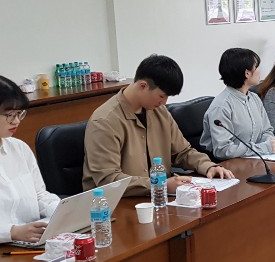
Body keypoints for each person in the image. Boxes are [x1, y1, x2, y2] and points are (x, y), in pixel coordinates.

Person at [83, 55, 233, 197]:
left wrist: (208, 166)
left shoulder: (159, 112)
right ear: (143, 86)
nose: (164, 102)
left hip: (158, 197)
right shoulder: (105, 121)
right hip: (115, 204)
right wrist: (160, 185)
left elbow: (183, 152)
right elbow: (108, 180)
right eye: (162, 96)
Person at [0, 75, 60, 244]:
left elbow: (39, 195)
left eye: (19, 113)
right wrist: (12, 232)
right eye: (9, 115)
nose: (16, 121)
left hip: (33, 242)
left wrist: (61, 211)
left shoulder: (19, 148)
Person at [201, 48, 275, 160]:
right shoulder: (222, 106)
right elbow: (222, 150)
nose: (260, 70)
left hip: (256, 159)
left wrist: (272, 144)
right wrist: (264, 148)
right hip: (229, 165)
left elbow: (267, 130)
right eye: (257, 67)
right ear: (247, 73)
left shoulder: (254, 98)